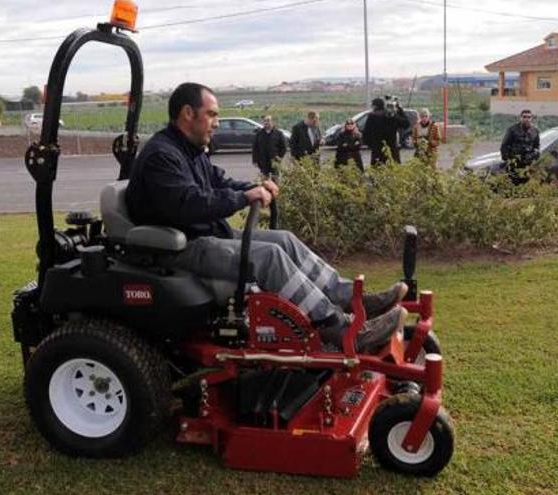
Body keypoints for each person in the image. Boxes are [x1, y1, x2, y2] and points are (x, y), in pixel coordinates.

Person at [126, 82, 408, 353]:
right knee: (269, 256)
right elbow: (188, 204)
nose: (216, 122)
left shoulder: (189, 150)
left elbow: (218, 181)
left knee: (283, 239)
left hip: (202, 233)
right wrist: (242, 198)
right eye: (212, 114)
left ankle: (349, 298)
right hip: (177, 247)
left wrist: (252, 187)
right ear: (188, 113)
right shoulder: (162, 156)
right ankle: (341, 329)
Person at [363, 97, 409, 166]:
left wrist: (372, 145)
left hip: (377, 151)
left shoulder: (372, 116)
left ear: (375, 106)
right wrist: (400, 110)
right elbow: (406, 124)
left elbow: (366, 134)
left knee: (377, 172)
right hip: (392, 151)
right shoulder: (392, 116)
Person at [500, 109, 540, 185]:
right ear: (520, 118)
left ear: (531, 118)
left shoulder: (535, 131)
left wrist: (534, 155)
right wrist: (507, 159)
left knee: (525, 182)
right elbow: (504, 145)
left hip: (528, 162)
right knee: (513, 182)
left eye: (529, 117)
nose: (526, 119)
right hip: (514, 162)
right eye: (524, 117)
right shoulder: (512, 129)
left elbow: (537, 146)